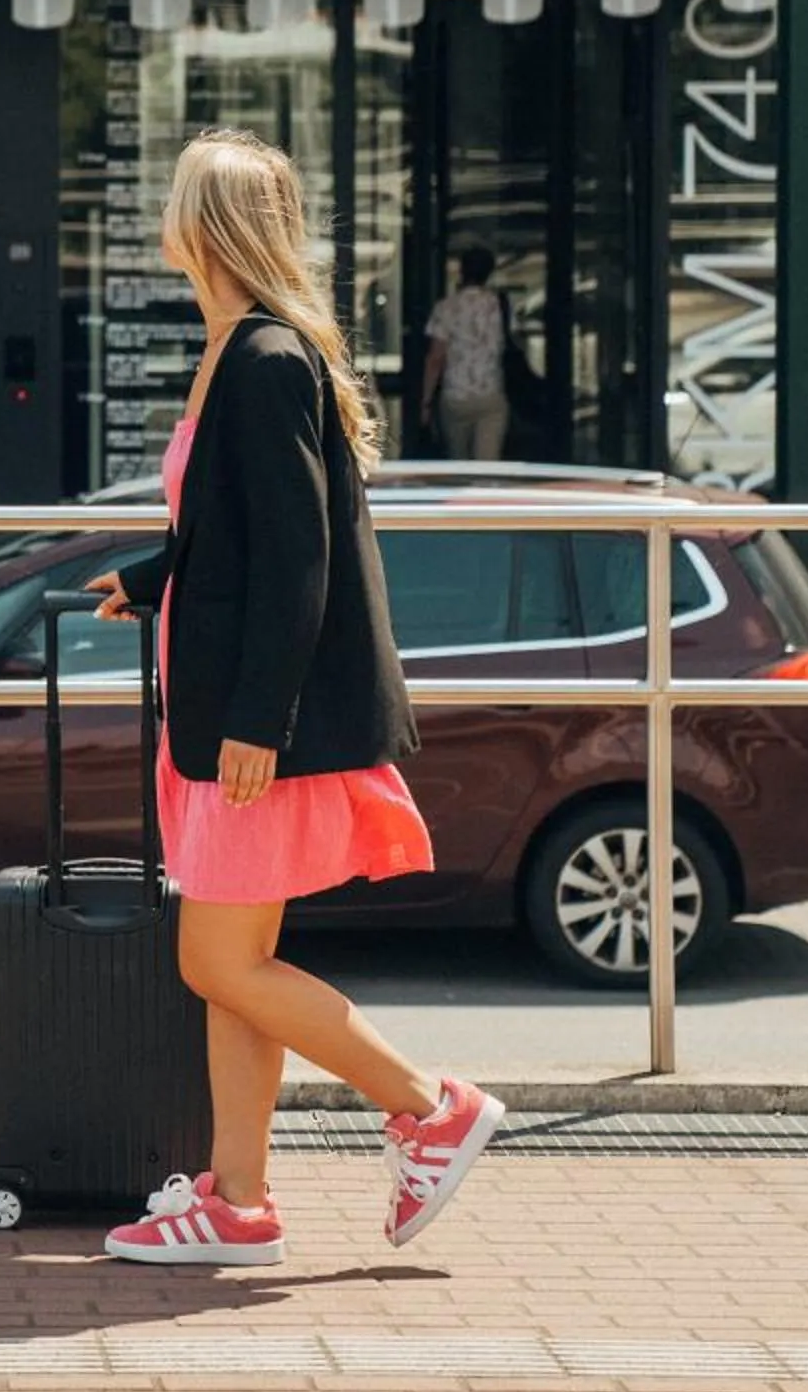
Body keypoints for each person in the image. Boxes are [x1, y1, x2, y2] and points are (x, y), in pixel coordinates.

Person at [87, 128, 503, 1267]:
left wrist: (255, 725)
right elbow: (228, 534)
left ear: (203, 227)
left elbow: (297, 559)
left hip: (244, 724)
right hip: (220, 706)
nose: (157, 221)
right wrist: (151, 576)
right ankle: (236, 1202)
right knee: (240, 971)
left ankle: (429, 1107)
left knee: (216, 963)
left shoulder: (265, 358)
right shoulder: (234, 348)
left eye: (172, 203)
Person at [423, 246, 512, 461]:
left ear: (462, 271)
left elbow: (436, 358)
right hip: (490, 395)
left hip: (455, 397)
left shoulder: (446, 307)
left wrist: (425, 401)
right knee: (487, 467)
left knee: (458, 463)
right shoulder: (499, 305)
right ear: (489, 273)